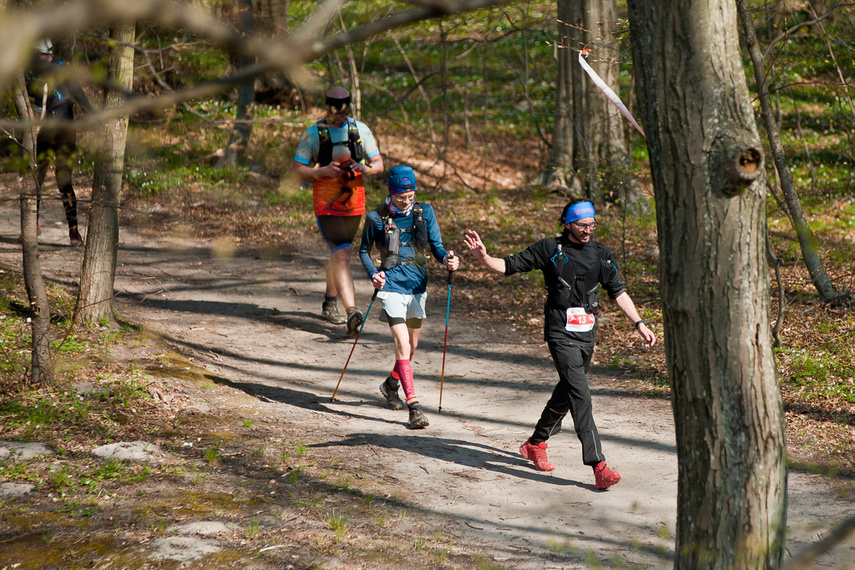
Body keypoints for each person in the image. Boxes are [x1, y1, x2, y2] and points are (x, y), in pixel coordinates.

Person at [463, 200, 655, 490]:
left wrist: (639, 323)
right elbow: (510, 265)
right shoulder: (550, 249)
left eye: (592, 224)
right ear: (567, 224)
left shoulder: (601, 254)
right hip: (560, 334)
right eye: (582, 225)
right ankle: (599, 465)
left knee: (568, 391)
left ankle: (535, 443)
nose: (587, 230)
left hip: (586, 335)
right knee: (581, 395)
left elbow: (618, 292)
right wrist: (485, 258)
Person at [358, 165, 459, 429]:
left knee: (412, 347)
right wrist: (373, 274)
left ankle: (391, 384)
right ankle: (414, 407)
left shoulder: (425, 212)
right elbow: (363, 251)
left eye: (410, 196)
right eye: (401, 197)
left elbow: (436, 246)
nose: (406, 201)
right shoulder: (376, 218)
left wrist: (447, 259)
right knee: (402, 345)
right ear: (391, 193)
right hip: (390, 285)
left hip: (417, 286)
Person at [292, 86, 384, 333]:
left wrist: (364, 168)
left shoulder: (360, 130)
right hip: (326, 206)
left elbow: (378, 164)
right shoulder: (313, 134)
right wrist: (322, 171)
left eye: (343, 114)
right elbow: (297, 169)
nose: (339, 118)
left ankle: (329, 303)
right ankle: (351, 311)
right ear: (327, 108)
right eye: (335, 114)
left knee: (339, 255)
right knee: (342, 254)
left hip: (354, 204)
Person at [26, 38, 93, 245]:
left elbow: (79, 95)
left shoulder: (62, 71)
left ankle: (74, 231)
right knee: (36, 178)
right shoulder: (34, 73)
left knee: (64, 181)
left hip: (63, 134)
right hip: (44, 134)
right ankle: (34, 223)